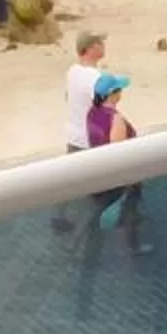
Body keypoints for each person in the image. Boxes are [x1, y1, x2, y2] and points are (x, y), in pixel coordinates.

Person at [84, 71, 151, 253]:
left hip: (99, 168)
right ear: (113, 94)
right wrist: (128, 179)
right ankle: (133, 245)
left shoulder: (92, 112)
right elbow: (119, 151)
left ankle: (85, 241)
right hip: (121, 174)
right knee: (129, 205)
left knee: (98, 207)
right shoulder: (116, 119)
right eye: (120, 89)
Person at [50, 30, 107, 232]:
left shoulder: (72, 71)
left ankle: (59, 216)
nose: (104, 46)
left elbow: (68, 96)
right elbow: (103, 107)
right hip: (91, 139)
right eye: (100, 43)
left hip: (74, 134)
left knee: (70, 180)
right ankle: (94, 226)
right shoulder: (96, 77)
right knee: (104, 184)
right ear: (91, 48)